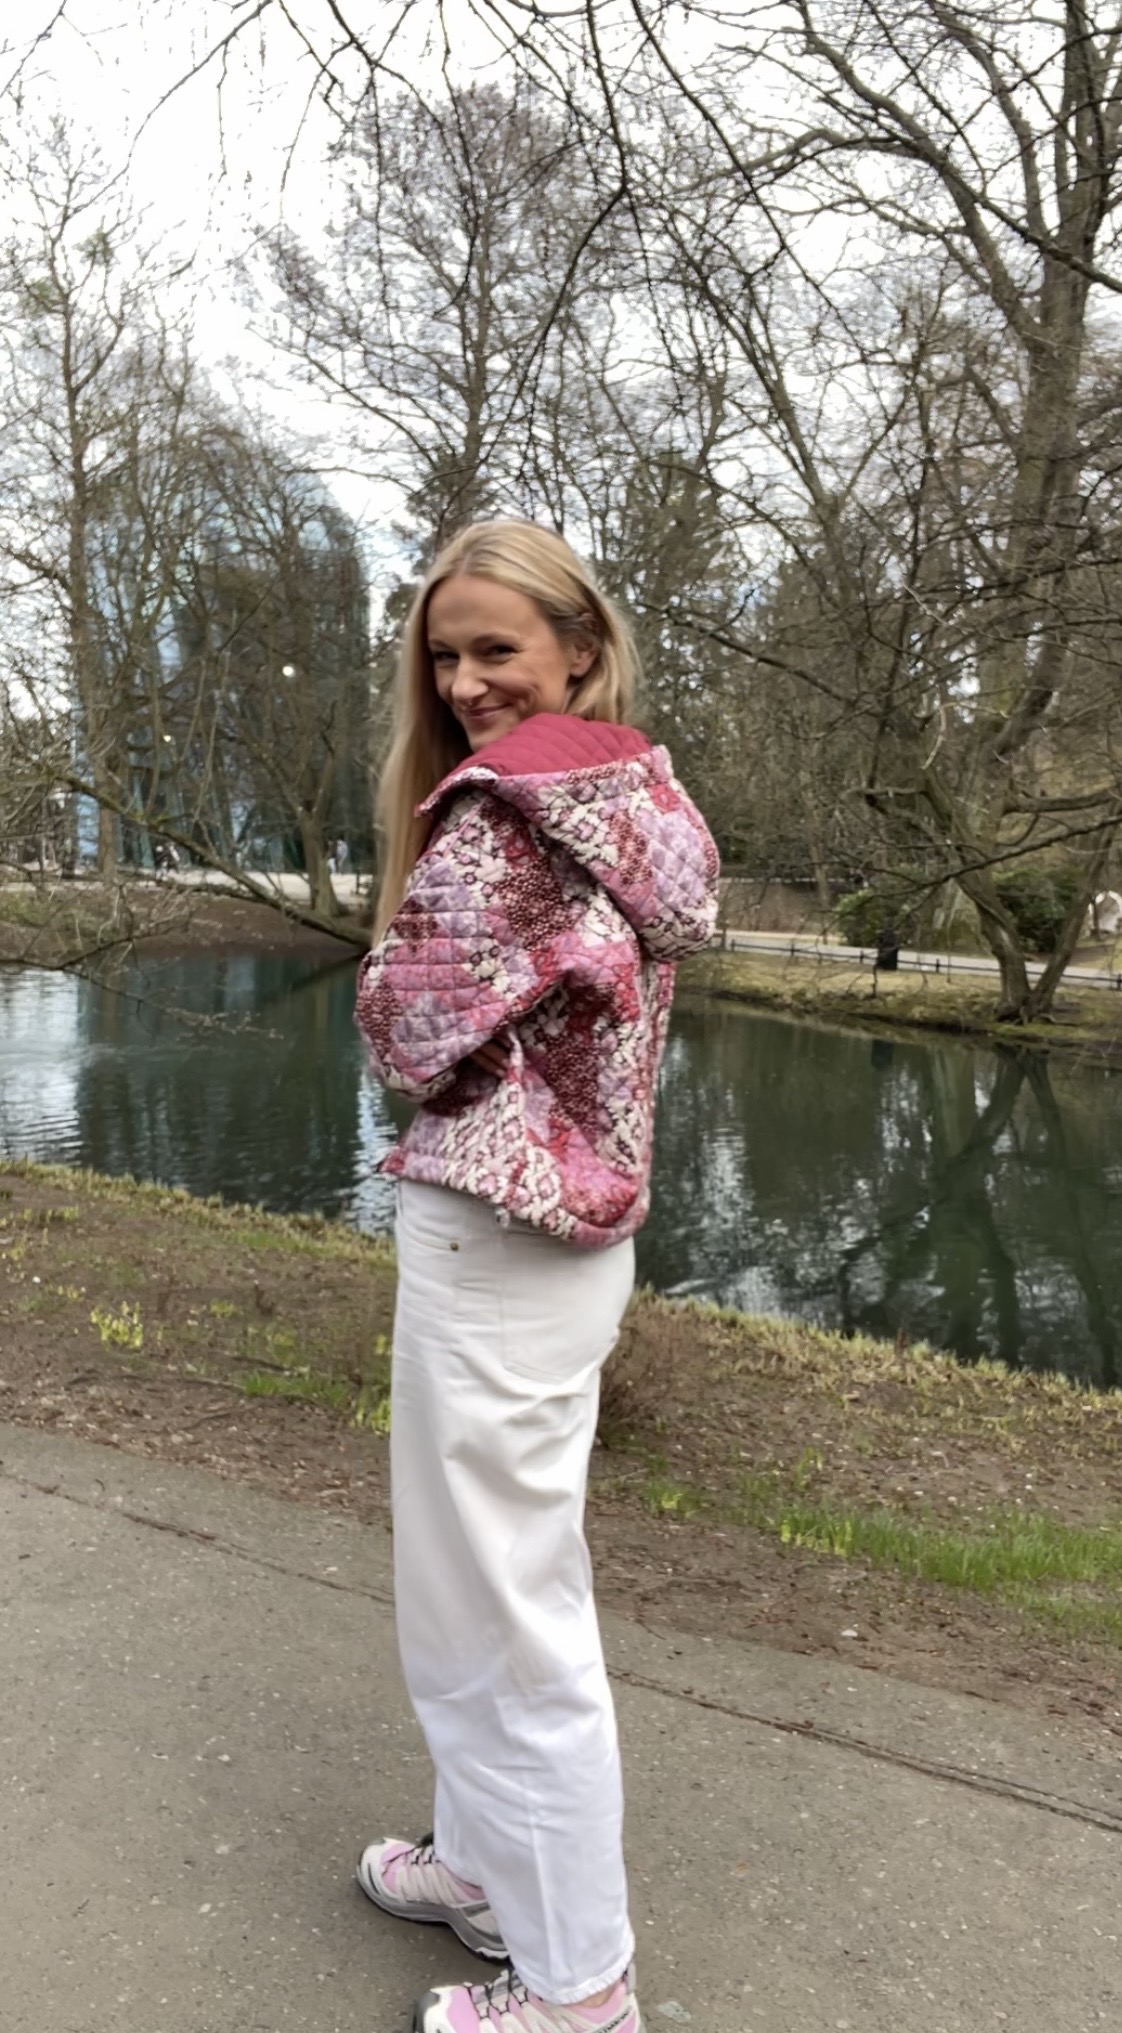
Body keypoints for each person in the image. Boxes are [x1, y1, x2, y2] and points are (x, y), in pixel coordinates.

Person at [354, 519, 719, 2033]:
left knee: (505, 1620)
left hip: (500, 1239)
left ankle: (576, 1988)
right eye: (445, 654)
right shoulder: (636, 799)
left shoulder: (506, 819)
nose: (464, 682)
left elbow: (401, 1024)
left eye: (495, 647)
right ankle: (488, 1867)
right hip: (566, 1239)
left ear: (580, 645)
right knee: (479, 1593)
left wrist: (401, 950)